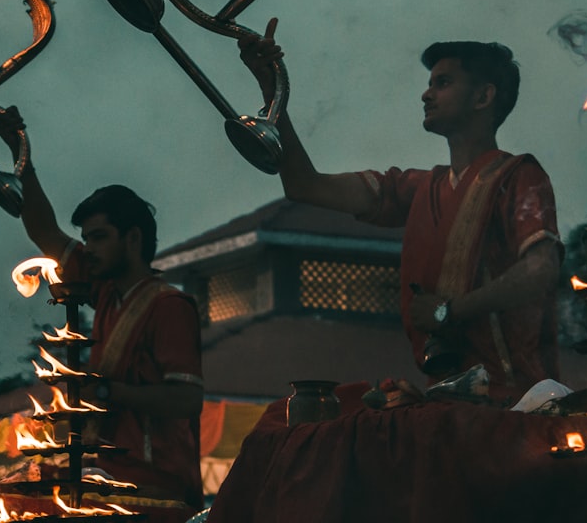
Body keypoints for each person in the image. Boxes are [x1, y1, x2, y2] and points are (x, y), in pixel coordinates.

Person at [238, 20, 561, 403]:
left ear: (483, 97)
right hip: (445, 398)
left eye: (443, 83)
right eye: (430, 83)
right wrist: (272, 89)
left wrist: (450, 311)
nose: (426, 94)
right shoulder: (418, 188)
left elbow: (542, 269)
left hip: (514, 401)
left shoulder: (519, 176)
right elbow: (305, 186)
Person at [0, 110, 205, 523]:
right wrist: (20, 153)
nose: (88, 249)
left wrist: (106, 391)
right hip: (106, 479)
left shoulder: (169, 306)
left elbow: (187, 399)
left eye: (99, 238)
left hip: (154, 490)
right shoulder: (106, 292)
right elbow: (45, 233)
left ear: (133, 238)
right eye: (86, 239)